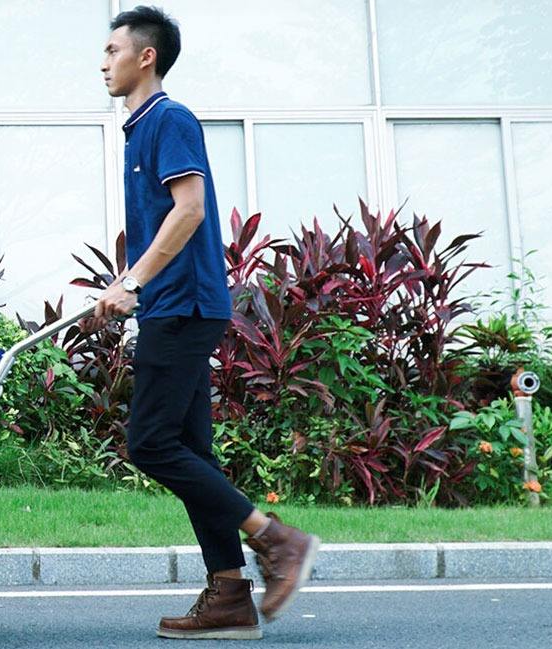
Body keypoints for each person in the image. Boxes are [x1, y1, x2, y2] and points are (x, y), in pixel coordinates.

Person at [92, 5, 321, 640]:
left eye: (112, 50)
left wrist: (133, 281)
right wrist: (135, 284)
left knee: (150, 443)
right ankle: (228, 595)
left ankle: (277, 539)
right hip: (172, 305)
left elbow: (189, 210)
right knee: (190, 451)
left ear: (146, 57)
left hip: (185, 305)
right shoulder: (139, 129)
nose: (102, 63)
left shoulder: (170, 118)